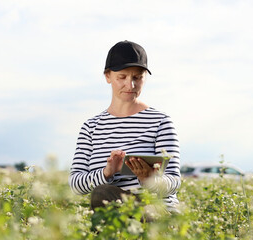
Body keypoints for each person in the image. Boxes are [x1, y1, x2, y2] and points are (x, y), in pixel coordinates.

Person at [69, 40, 181, 213]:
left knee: (103, 195)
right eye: (122, 77)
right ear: (108, 76)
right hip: (111, 211)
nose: (131, 85)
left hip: (156, 212)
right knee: (102, 193)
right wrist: (107, 173)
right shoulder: (91, 127)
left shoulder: (160, 121)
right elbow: (76, 185)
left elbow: (174, 181)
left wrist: (149, 179)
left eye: (137, 77)